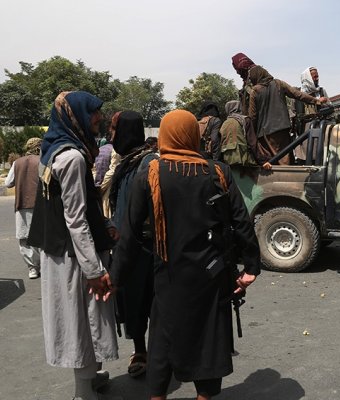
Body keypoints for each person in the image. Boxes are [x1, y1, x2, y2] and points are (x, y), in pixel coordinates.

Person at [110, 109, 261, 400]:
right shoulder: (217, 171)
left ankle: (158, 396)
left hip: (168, 273)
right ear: (194, 135)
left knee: (163, 340)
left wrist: (115, 278)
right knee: (209, 337)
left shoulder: (150, 173)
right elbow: (242, 222)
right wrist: (251, 267)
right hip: (212, 275)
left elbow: (128, 234)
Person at [27, 91, 120, 400]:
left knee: (82, 318)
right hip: (75, 257)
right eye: (93, 113)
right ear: (76, 115)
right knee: (82, 320)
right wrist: (93, 268)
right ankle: (83, 391)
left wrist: (105, 225)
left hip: (63, 251)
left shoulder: (56, 149)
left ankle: (91, 378)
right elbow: (75, 219)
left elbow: (81, 205)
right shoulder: (73, 157)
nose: (99, 118)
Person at [108, 111, 159, 378]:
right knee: (133, 301)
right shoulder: (126, 163)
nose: (111, 135)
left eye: (114, 129)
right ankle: (140, 349)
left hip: (148, 246)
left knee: (153, 300)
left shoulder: (149, 163)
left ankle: (158, 353)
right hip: (128, 245)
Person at [248, 65, 326, 165]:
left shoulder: (255, 91)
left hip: (265, 134)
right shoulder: (278, 83)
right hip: (283, 129)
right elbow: (298, 94)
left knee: (272, 163)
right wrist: (317, 101)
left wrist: (252, 135)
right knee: (286, 160)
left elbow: (253, 117)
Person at [5, 137, 43, 279]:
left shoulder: (17, 163)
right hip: (40, 205)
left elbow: (9, 183)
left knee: (24, 237)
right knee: (41, 236)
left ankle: (32, 268)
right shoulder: (42, 161)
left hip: (21, 205)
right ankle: (43, 265)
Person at [219, 100, 261, 166]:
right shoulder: (245, 120)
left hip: (227, 161)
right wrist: (262, 161)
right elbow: (252, 143)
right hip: (244, 162)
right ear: (239, 107)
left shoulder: (224, 123)